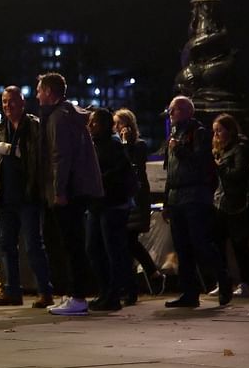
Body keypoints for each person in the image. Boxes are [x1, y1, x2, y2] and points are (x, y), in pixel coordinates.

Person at [36, 72, 104, 317]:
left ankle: (77, 296)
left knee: (70, 243)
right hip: (76, 189)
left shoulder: (58, 119)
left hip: (68, 191)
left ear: (49, 92)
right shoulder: (68, 115)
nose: (36, 95)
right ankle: (72, 294)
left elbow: (60, 158)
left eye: (39, 90)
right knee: (69, 243)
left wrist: (59, 190)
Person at [0, 86, 53, 309]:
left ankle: (45, 291)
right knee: (6, 245)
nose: (8, 106)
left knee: (33, 245)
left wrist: (13, 150)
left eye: (12, 102)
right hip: (5, 195)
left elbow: (41, 158)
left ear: (22, 103)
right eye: (4, 102)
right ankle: (12, 291)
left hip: (28, 194)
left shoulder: (34, 126)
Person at [162, 96, 230, 308]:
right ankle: (189, 293)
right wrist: (167, 201)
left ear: (185, 111)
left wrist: (179, 149)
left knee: (201, 243)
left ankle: (223, 280)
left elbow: (201, 161)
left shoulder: (198, 132)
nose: (170, 115)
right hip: (177, 198)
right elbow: (170, 171)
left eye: (173, 110)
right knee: (182, 247)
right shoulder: (173, 134)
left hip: (194, 197)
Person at [85, 108, 134, 312]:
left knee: (111, 250)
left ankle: (113, 294)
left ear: (105, 125)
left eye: (94, 123)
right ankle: (104, 291)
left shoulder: (113, 145)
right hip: (97, 204)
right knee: (93, 248)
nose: (90, 126)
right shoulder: (93, 145)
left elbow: (118, 173)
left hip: (112, 204)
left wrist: (97, 180)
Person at [114, 108, 163, 302]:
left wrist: (125, 143)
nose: (116, 128)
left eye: (119, 124)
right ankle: (148, 277)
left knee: (129, 241)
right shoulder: (115, 145)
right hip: (124, 198)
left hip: (136, 199)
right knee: (127, 244)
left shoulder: (138, 145)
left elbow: (130, 166)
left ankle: (138, 283)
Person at [211, 113, 249, 299]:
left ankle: (245, 282)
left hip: (235, 204)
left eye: (219, 130)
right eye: (215, 131)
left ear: (229, 130)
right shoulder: (220, 149)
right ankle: (223, 281)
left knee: (239, 244)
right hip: (219, 202)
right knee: (218, 245)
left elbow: (239, 174)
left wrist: (220, 166)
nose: (217, 134)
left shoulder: (239, 148)